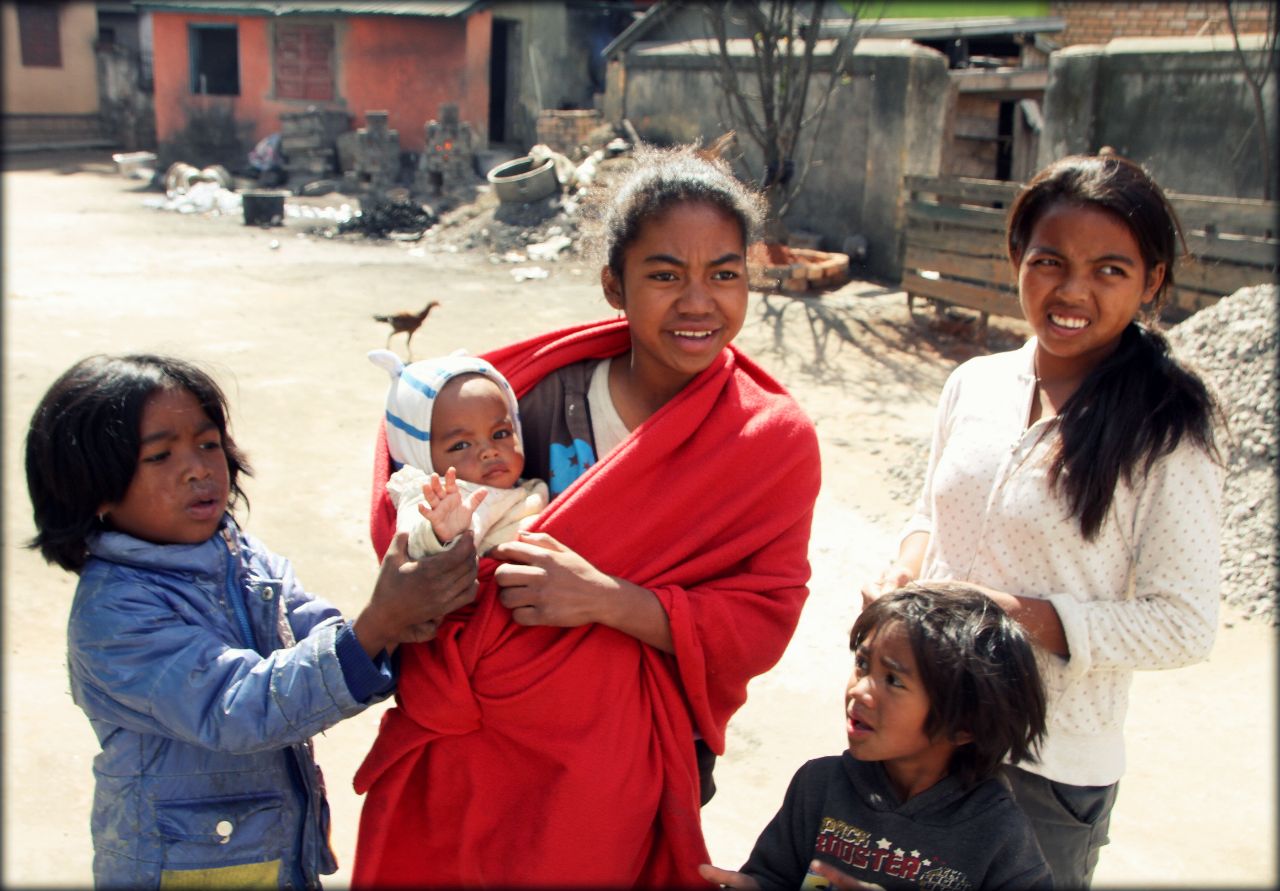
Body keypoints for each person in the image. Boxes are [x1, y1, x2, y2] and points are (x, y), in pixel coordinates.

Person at [353, 138, 822, 888]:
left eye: (724, 275)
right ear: (615, 285)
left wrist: (613, 601)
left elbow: (764, 613)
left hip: (623, 767)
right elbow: (419, 497)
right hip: (482, 754)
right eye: (665, 275)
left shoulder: (767, 441)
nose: (698, 302)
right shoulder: (535, 401)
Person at [861, 153, 1224, 888]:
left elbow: (1184, 622)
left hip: (1044, 772)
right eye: (1050, 260)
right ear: (1016, 257)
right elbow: (933, 509)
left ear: (1152, 281)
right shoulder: (976, 383)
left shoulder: (1169, 427)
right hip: (921, 733)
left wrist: (1015, 616)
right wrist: (906, 564)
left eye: (1110, 270)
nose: (1072, 291)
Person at [24, 353, 477, 889]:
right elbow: (240, 709)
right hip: (180, 869)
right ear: (95, 489)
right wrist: (379, 624)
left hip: (274, 851)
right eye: (161, 455)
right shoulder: (115, 612)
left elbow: (311, 628)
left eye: (208, 443)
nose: (198, 467)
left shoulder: (239, 553)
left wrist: (404, 621)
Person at [700, 583, 1052, 891]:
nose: (861, 691)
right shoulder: (820, 787)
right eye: (863, 665)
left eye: (894, 681)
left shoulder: (997, 833)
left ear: (964, 725)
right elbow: (775, 875)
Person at [369, 348, 548, 557]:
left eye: (500, 433)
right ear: (419, 455)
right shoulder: (434, 497)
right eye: (461, 445)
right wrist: (440, 533)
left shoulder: (527, 487)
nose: (489, 451)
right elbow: (413, 546)